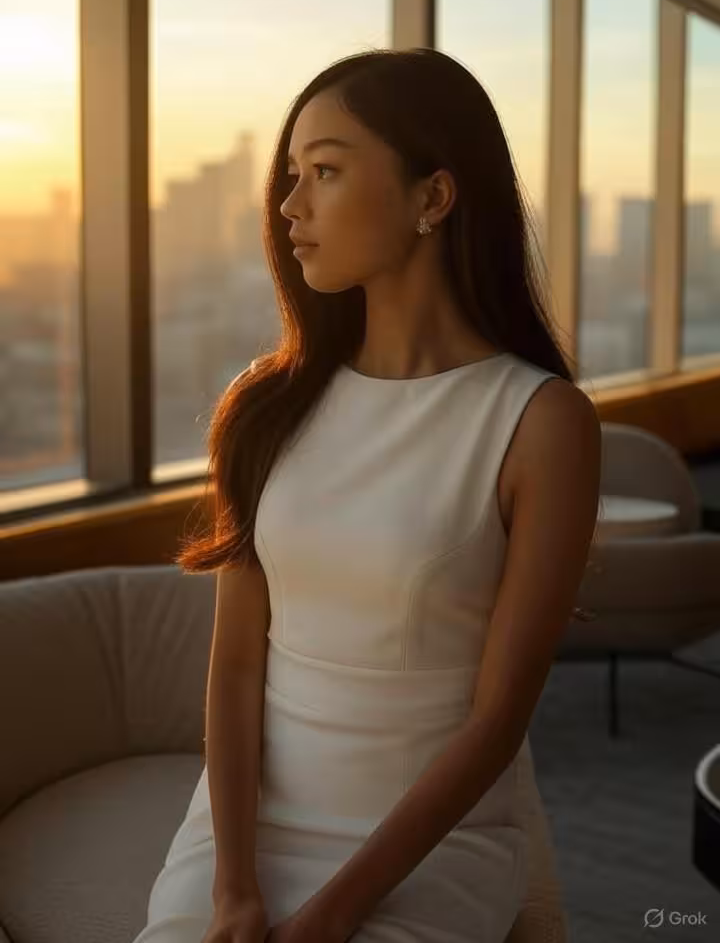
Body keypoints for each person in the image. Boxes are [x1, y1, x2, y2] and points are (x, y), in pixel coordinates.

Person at [132, 47, 601, 943]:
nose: (290, 205)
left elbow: (499, 719)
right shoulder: (265, 407)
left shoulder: (542, 424)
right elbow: (236, 669)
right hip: (247, 834)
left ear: (433, 197)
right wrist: (232, 887)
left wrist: (334, 915)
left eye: (327, 171)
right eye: (291, 175)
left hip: (430, 846)